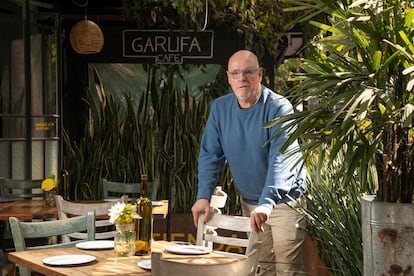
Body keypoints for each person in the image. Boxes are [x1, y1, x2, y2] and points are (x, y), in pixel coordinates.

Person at [191, 50, 307, 275]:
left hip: (285, 201)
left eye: (248, 72)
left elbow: (281, 158)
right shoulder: (220, 108)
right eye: (235, 73)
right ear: (228, 77)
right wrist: (203, 197)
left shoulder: (279, 107)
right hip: (251, 202)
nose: (241, 78)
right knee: (261, 268)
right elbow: (209, 155)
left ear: (260, 74)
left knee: (287, 270)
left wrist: (267, 202)